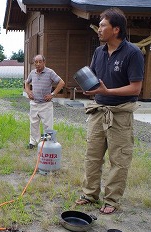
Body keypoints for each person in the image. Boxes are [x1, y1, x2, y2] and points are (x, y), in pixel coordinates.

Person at [75, 8, 144, 214]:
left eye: (103, 25)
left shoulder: (133, 53)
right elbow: (94, 78)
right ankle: (89, 194)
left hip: (120, 113)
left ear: (116, 29)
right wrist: (89, 87)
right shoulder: (99, 52)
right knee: (92, 156)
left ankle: (112, 200)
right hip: (98, 110)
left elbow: (136, 88)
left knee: (119, 159)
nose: (99, 29)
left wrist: (107, 90)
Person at [24, 54, 65, 149]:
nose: (38, 64)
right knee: (33, 124)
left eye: (40, 62)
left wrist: (52, 94)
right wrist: (28, 91)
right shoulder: (32, 73)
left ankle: (48, 144)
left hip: (45, 104)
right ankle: (33, 142)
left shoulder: (50, 72)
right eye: (36, 62)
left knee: (47, 125)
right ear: (34, 63)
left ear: (44, 62)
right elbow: (26, 82)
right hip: (34, 103)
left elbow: (61, 82)